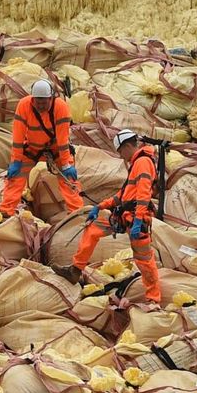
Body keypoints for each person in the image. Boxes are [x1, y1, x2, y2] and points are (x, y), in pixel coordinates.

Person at [68, 129, 163, 302]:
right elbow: (125, 193)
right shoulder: (136, 163)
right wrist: (100, 206)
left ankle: (153, 299)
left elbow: (143, 194)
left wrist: (139, 220)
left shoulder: (142, 162)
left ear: (127, 146)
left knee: (144, 261)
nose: (121, 157)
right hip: (125, 216)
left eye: (120, 152)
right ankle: (76, 269)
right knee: (94, 228)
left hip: (136, 219)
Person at [0, 79, 85, 218]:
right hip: (32, 148)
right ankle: (5, 212)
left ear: (51, 98)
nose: (41, 106)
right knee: (15, 177)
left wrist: (66, 164)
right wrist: (16, 160)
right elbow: (18, 137)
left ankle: (77, 215)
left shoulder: (61, 107)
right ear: (32, 99)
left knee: (68, 180)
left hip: (56, 149)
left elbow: (63, 139)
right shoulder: (24, 105)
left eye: (44, 103)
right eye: (38, 102)